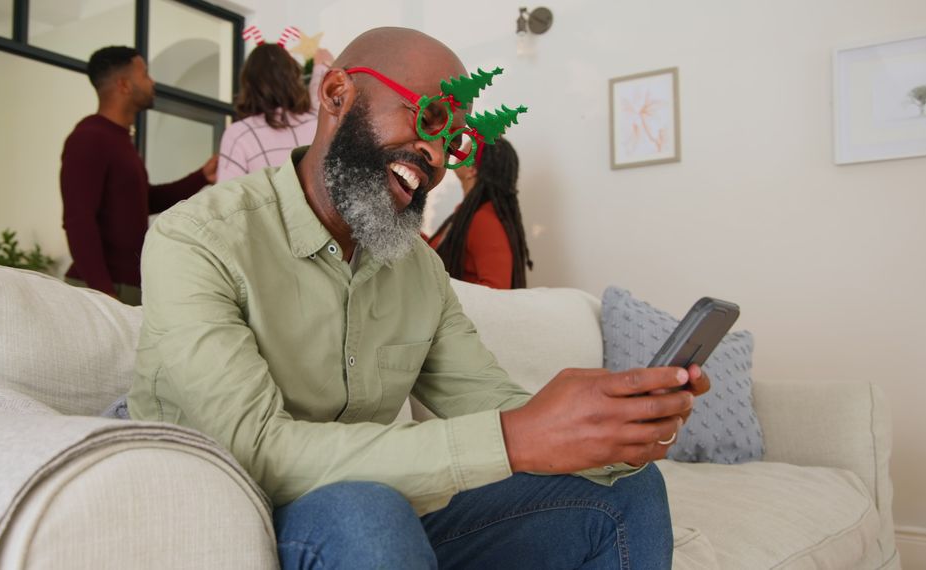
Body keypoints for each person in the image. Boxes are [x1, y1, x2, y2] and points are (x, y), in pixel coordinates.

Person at [129, 27, 708, 569]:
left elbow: (489, 402)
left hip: (381, 514)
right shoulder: (195, 239)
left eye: (453, 141)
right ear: (336, 93)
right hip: (242, 509)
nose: (436, 155)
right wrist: (516, 438)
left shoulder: (418, 272)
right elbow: (257, 450)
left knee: (626, 489)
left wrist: (611, 426)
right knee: (368, 513)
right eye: (428, 118)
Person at [60, 46, 218, 305]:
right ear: (123, 85)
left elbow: (145, 200)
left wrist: (201, 176)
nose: (152, 82)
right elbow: (78, 219)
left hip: (126, 286)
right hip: (104, 290)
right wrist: (103, 292)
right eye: (145, 74)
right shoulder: (89, 138)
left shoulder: (118, 139)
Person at [215, 44, 333, 182]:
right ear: (294, 77)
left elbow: (228, 196)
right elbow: (320, 97)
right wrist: (322, 65)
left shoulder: (239, 135)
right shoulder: (317, 121)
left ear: (248, 84)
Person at [427, 137, 532, 289]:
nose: (458, 151)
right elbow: (437, 252)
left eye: (464, 150)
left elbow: (497, 290)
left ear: (472, 170)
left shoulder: (484, 221)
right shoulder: (468, 215)